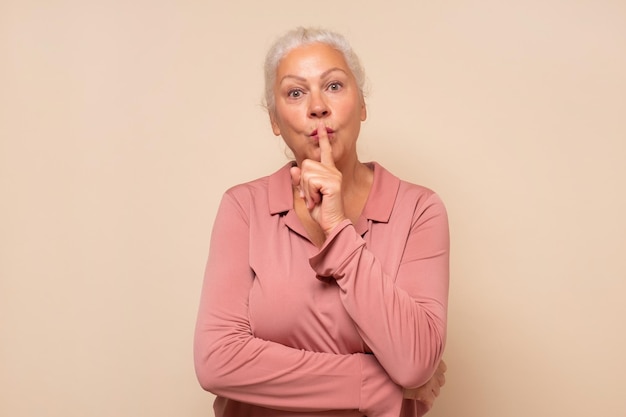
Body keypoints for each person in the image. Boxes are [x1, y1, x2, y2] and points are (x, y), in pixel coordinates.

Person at [194, 27, 450, 417]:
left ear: (361, 105)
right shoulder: (243, 207)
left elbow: (414, 362)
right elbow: (217, 360)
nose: (317, 107)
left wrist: (336, 228)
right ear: (275, 120)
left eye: (333, 86)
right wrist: (376, 384)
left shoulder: (419, 209)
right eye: (295, 92)